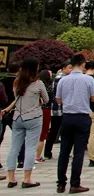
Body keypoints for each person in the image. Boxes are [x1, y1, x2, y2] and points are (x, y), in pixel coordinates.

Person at [55, 53, 94, 194]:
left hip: (67, 116)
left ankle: (61, 183)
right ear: (82, 64)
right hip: (82, 116)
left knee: (64, 151)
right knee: (78, 152)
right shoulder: (88, 80)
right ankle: (75, 183)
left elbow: (58, 100)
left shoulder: (63, 80)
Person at [1, 58, 48, 188]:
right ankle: (27, 179)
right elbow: (46, 99)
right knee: (30, 148)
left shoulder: (17, 82)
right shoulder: (38, 84)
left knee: (14, 148)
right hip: (33, 117)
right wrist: (36, 101)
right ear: (35, 68)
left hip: (17, 118)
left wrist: (7, 109)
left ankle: (11, 178)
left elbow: (17, 99)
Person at [45, 60, 72, 160]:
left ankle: (48, 151)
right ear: (63, 68)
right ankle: (52, 151)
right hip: (60, 108)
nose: (71, 70)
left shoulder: (59, 77)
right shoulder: (61, 78)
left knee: (55, 130)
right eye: (69, 67)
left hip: (58, 108)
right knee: (59, 131)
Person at [35, 69, 53, 163]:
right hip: (45, 110)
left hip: (35, 110)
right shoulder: (49, 87)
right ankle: (37, 156)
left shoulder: (35, 84)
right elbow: (49, 99)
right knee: (43, 133)